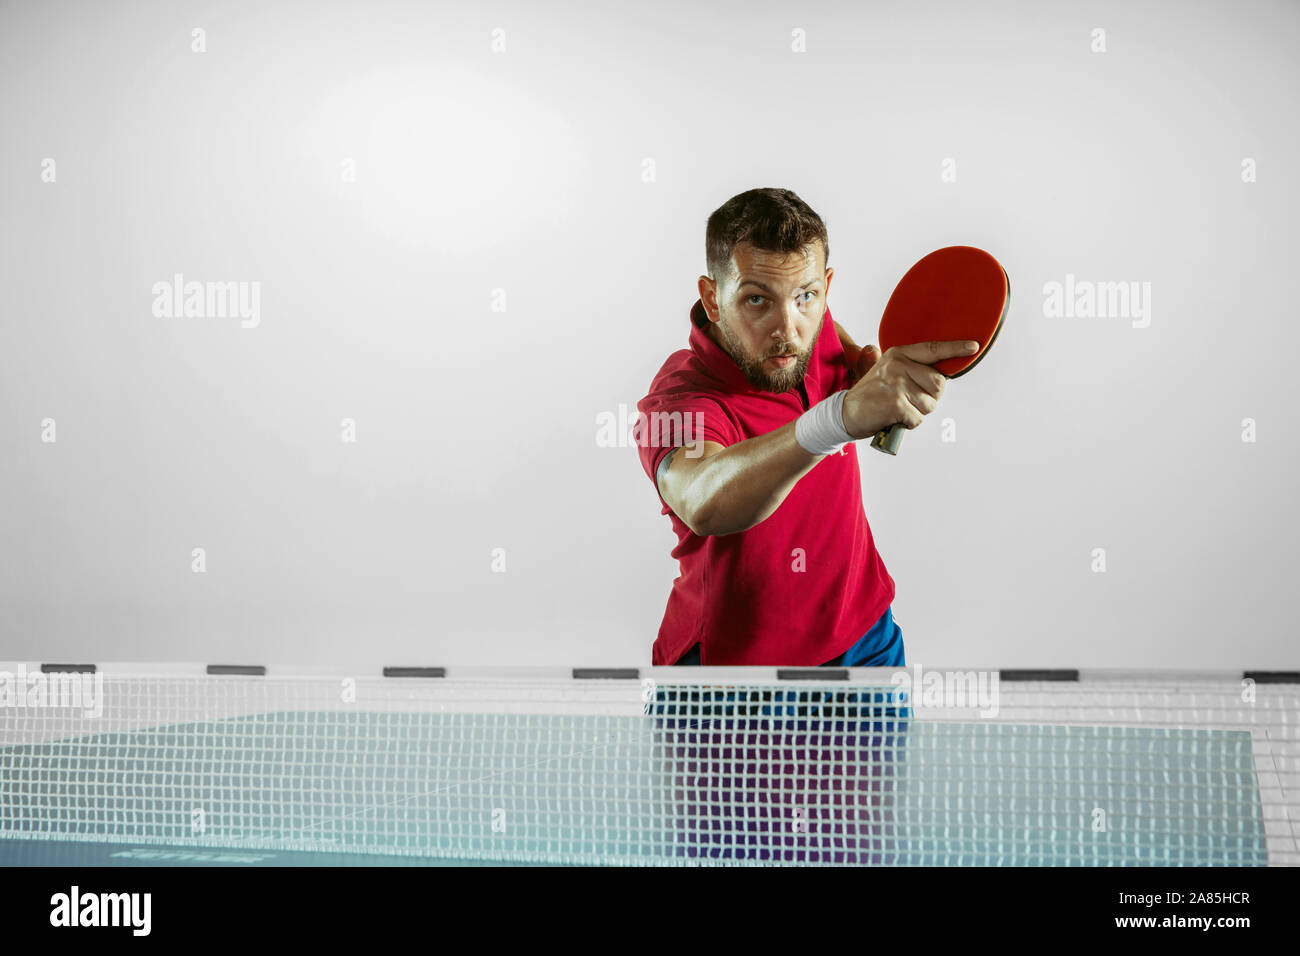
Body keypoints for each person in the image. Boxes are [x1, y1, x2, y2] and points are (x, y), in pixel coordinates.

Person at [634, 187, 975, 666]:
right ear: (712, 299)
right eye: (757, 300)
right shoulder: (678, 398)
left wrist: (866, 369)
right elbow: (702, 500)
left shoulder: (807, 331)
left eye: (806, 296)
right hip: (733, 673)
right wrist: (838, 418)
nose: (788, 329)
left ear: (825, 288)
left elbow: (830, 336)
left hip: (865, 638)